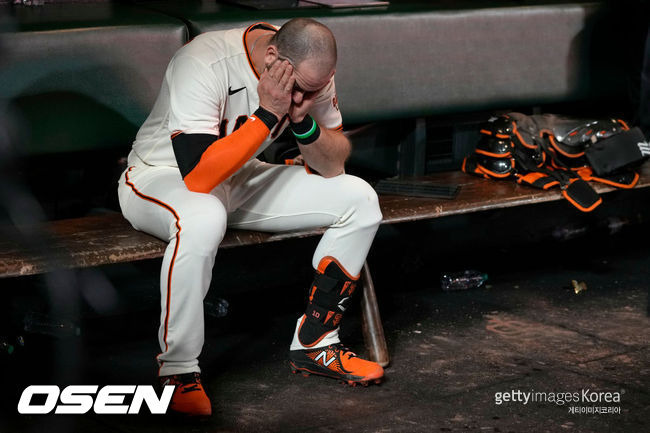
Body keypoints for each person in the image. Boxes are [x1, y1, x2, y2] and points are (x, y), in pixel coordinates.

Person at [117, 18, 384, 416]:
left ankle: (316, 343)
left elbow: (332, 167)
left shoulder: (309, 71)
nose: (304, 95)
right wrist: (268, 112)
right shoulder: (204, 61)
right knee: (204, 216)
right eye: (300, 89)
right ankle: (178, 372)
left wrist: (303, 121)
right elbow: (199, 175)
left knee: (360, 198)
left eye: (314, 89)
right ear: (273, 56)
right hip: (160, 175)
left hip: (241, 173)